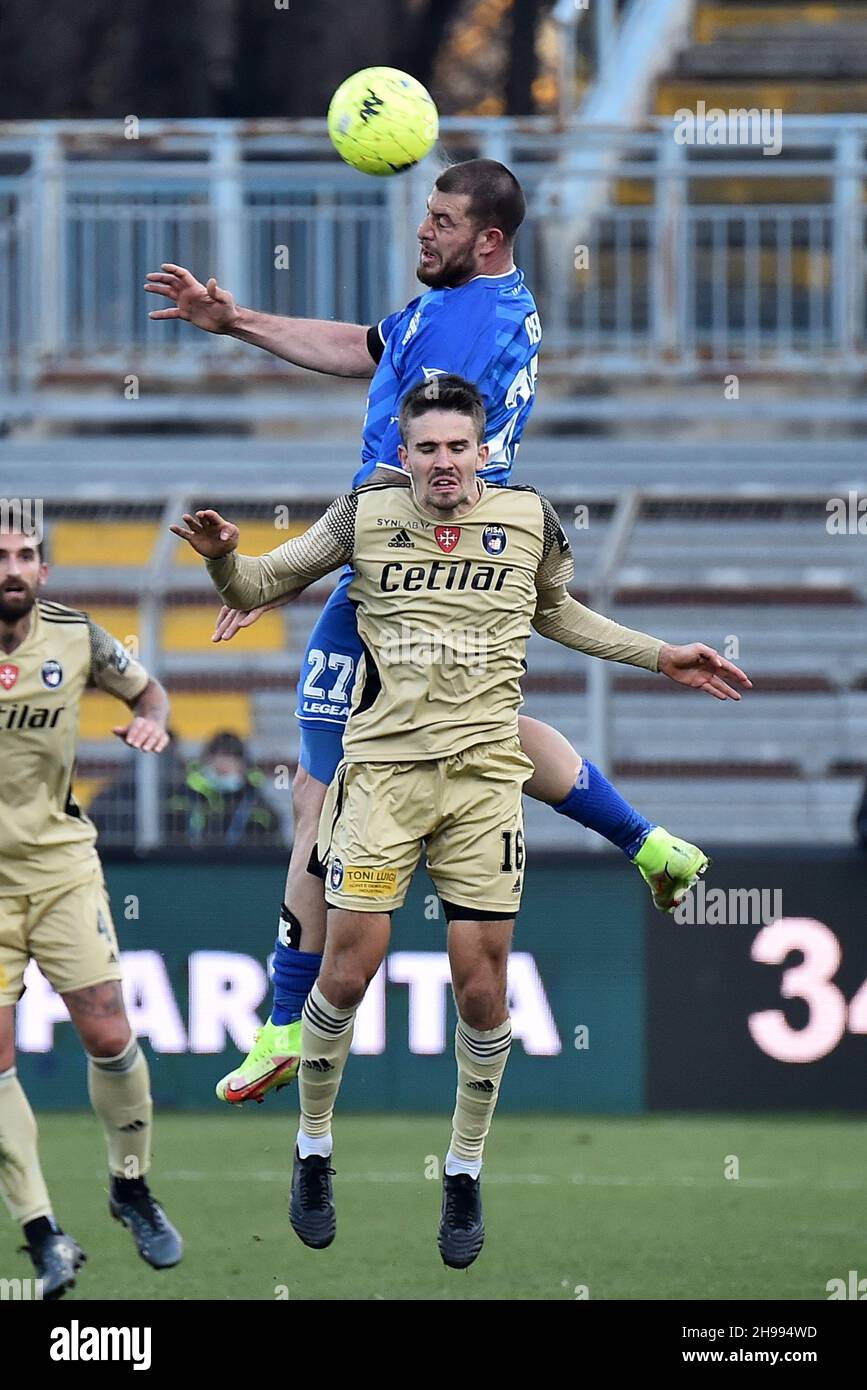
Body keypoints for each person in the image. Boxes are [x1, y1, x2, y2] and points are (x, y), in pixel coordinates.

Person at [146, 158, 712, 1108]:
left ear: (486, 236)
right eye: (426, 215)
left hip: (402, 559)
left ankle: (286, 1018)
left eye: (441, 221)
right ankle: (647, 843)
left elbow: (413, 462)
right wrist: (235, 322)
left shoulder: (459, 333)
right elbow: (364, 346)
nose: (424, 232)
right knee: (484, 729)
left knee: (313, 792)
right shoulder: (479, 304)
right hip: (436, 561)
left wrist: (294, 569)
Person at [173, 376, 751, 1266]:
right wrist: (221, 557)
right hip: (382, 781)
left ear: (483, 449)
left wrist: (656, 654)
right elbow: (261, 580)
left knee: (481, 988)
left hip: (484, 785)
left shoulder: (526, 518)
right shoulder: (363, 513)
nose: (442, 463)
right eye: (426, 449)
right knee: (348, 972)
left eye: (457, 447)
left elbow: (556, 611)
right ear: (401, 454)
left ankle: (463, 1169)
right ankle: (314, 1147)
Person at [0, 529, 183, 1298]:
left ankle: (130, 1187)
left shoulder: (75, 637)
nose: (11, 571)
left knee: (109, 1032)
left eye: (22, 558)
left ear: (42, 570)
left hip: (61, 865)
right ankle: (43, 1234)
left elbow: (147, 690)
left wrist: (151, 719)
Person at [182, 730, 285, 848]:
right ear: (207, 760)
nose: (223, 764)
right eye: (219, 756)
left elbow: (273, 841)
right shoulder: (187, 797)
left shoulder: (258, 806)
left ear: (243, 764)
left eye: (231, 757)